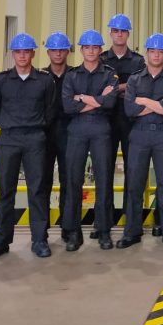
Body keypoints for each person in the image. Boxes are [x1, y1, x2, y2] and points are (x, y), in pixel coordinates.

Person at [0, 34, 59, 260]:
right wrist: (9, 125)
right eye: (18, 52)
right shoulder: (0, 81)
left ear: (33, 54)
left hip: (35, 138)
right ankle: (1, 241)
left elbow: (50, 111)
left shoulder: (45, 81)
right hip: (8, 139)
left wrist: (35, 127)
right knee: (6, 191)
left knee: (37, 190)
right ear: (13, 54)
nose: (23, 55)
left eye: (27, 51)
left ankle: (39, 240)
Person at [117, 33, 163, 249]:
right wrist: (158, 104)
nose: (156, 55)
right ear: (147, 53)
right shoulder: (135, 79)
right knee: (134, 184)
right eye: (152, 51)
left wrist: (143, 101)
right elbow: (129, 110)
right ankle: (132, 232)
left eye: (160, 51)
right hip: (139, 135)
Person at [61, 30, 118, 251]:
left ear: (100, 50)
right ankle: (73, 231)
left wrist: (82, 98)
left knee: (104, 179)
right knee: (73, 180)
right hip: (76, 129)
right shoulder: (72, 76)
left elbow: (111, 103)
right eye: (87, 47)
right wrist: (98, 99)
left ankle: (103, 230)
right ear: (82, 50)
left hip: (101, 128)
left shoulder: (109, 74)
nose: (91, 51)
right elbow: (68, 106)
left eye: (95, 47)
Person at [99, 14, 145, 236]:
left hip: (131, 123)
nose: (119, 34)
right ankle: (103, 223)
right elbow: (97, 88)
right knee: (104, 172)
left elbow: (140, 87)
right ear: (111, 33)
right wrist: (125, 88)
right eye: (115, 31)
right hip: (105, 123)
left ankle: (131, 223)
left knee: (133, 172)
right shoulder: (100, 59)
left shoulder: (138, 61)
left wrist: (113, 89)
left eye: (123, 31)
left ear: (128, 34)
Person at [41, 32, 74, 241]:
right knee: (41, 182)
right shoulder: (40, 77)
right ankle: (41, 229)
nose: (58, 53)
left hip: (70, 132)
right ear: (48, 52)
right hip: (43, 134)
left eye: (62, 50)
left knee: (69, 181)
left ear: (68, 52)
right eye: (54, 50)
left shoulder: (75, 76)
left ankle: (68, 227)